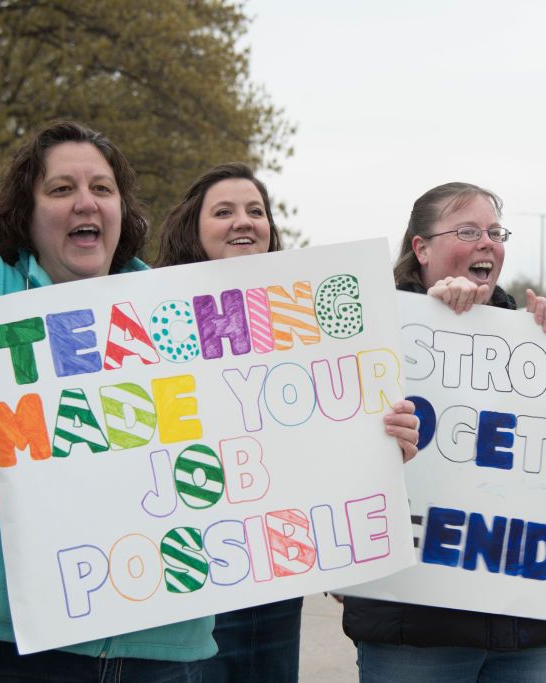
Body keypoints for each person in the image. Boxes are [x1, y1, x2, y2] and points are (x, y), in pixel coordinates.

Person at [0, 1, 215, 677]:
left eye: (101, 187)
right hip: (11, 646)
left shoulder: (181, 318)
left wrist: (366, 439)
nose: (85, 201)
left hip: (160, 649)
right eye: (61, 187)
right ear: (27, 210)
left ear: (121, 211)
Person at [155, 161, 421, 682]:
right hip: (189, 574)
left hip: (275, 575)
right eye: (224, 211)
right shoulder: (155, 312)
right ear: (193, 226)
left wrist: (385, 445)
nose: (244, 222)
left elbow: (329, 434)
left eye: (256, 211)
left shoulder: (309, 326)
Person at [342, 181, 546, 683]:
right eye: (467, 230)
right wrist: (429, 322)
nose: (487, 242)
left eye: (495, 232)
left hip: (526, 626)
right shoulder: (372, 335)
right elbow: (330, 455)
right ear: (421, 248)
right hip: (415, 626)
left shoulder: (532, 342)